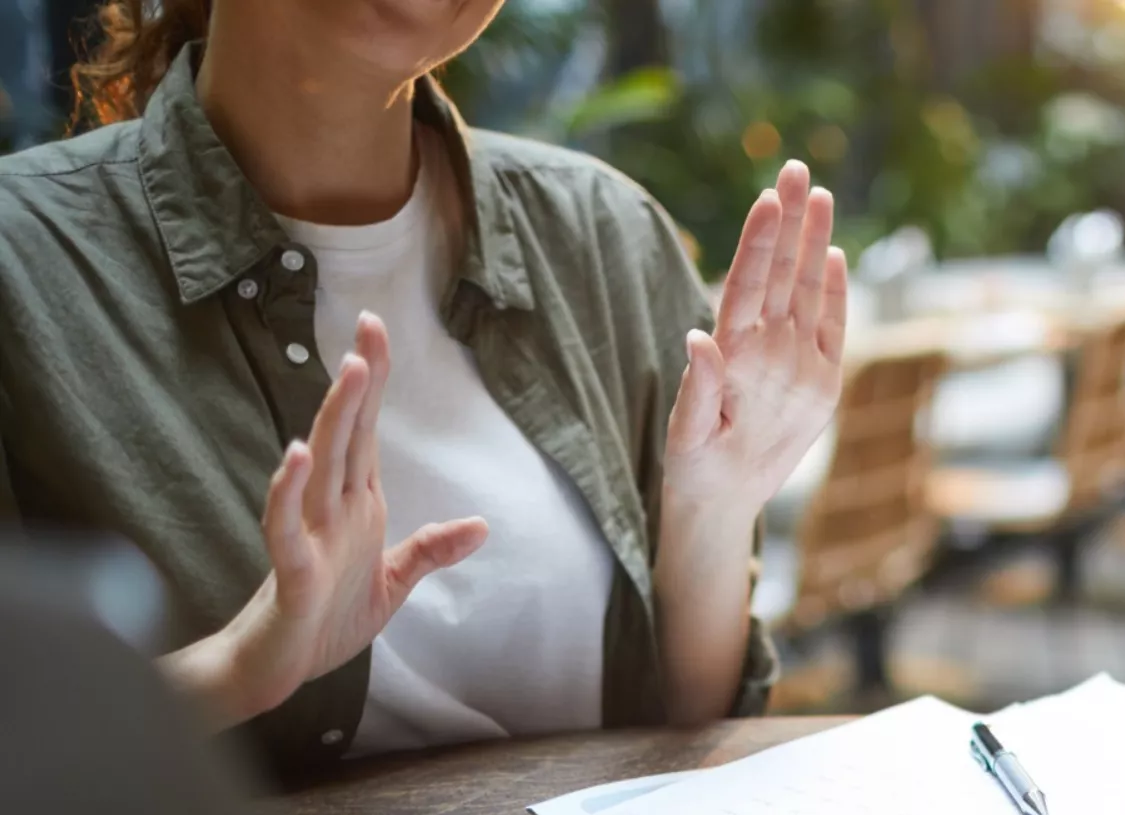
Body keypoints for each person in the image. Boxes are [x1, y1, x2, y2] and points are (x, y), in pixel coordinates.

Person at [0, 0, 847, 773]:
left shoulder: (603, 238)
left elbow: (686, 731)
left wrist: (713, 508)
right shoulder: (29, 272)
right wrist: (243, 669)